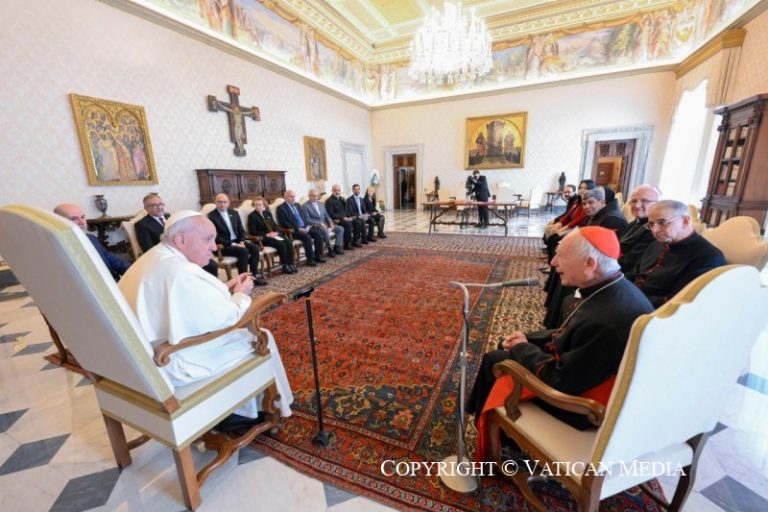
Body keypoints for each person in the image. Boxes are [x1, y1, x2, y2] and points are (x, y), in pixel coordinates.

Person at [467, 227, 653, 457]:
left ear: (590, 263)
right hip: (587, 374)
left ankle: (504, 448)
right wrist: (527, 339)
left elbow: (559, 380)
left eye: (561, 256)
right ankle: (489, 427)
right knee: (505, 348)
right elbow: (572, 333)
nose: (553, 262)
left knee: (496, 360)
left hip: (582, 405)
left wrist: (523, 347)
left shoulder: (604, 320)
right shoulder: (613, 288)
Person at [118, 211, 293, 427]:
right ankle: (249, 414)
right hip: (173, 361)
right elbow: (228, 318)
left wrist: (225, 287)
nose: (214, 247)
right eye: (208, 239)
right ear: (181, 240)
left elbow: (189, 301)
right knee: (260, 337)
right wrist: (241, 294)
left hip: (144, 360)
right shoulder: (182, 270)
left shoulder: (154, 257)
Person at [627, 200, 726, 307]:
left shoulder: (708, 257)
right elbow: (633, 274)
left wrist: (629, 298)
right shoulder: (657, 244)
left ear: (685, 222)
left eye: (662, 222)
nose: (655, 230)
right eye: (651, 224)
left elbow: (676, 302)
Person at [135, 193, 219, 277]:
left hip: (185, 250)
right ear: (146, 208)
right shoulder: (142, 224)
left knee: (211, 265)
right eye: (154, 205)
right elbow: (148, 249)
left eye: (161, 204)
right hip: (168, 257)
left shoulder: (169, 217)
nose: (159, 207)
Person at [53, 203, 129, 281]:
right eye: (74, 219)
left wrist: (133, 272)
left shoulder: (91, 238)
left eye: (82, 217)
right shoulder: (56, 247)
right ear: (59, 221)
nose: (82, 222)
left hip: (112, 282)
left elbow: (112, 260)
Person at [208, 193, 267, 286]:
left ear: (228, 202)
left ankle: (253, 277)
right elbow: (216, 237)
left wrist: (242, 241)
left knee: (255, 248)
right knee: (243, 251)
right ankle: (242, 280)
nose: (223, 204)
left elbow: (241, 230)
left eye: (225, 202)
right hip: (224, 245)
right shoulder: (211, 216)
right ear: (215, 202)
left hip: (238, 241)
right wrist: (235, 244)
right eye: (220, 202)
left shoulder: (234, 213)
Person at [247, 196, 297, 275]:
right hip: (263, 238)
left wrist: (276, 232)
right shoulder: (252, 216)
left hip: (274, 235)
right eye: (256, 205)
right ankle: (285, 266)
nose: (258, 206)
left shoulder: (267, 214)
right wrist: (267, 234)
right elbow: (253, 231)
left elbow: (274, 225)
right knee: (282, 245)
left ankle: (291, 264)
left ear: (264, 205)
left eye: (260, 205)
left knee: (288, 242)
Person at [618, 185, 660, 272]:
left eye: (644, 201)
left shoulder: (654, 230)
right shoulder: (635, 222)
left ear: (657, 204)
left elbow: (630, 262)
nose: (637, 205)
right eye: (633, 201)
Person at [277, 190, 325, 266]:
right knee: (307, 237)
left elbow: (303, 217)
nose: (293, 198)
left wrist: (307, 226)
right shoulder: (281, 208)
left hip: (304, 227)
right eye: (291, 197)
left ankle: (318, 256)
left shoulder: (297, 205)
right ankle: (310, 259)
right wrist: (298, 229)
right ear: (285, 197)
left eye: (294, 196)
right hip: (294, 230)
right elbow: (284, 223)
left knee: (317, 234)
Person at [303, 188, 344, 257]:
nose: (315, 197)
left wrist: (330, 222)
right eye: (313, 196)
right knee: (325, 230)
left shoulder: (321, 204)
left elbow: (326, 215)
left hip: (325, 224)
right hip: (316, 226)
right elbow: (307, 220)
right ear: (309, 196)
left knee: (340, 229)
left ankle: (337, 247)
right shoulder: (305, 206)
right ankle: (330, 250)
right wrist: (319, 223)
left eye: (316, 196)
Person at [326, 184, 360, 249]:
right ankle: (347, 244)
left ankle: (355, 241)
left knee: (357, 222)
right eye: (335, 190)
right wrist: (343, 218)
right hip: (337, 220)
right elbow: (330, 214)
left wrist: (349, 217)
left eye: (338, 190)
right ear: (332, 191)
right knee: (348, 224)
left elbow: (346, 210)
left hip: (345, 218)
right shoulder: (329, 201)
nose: (337, 192)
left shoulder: (342, 199)